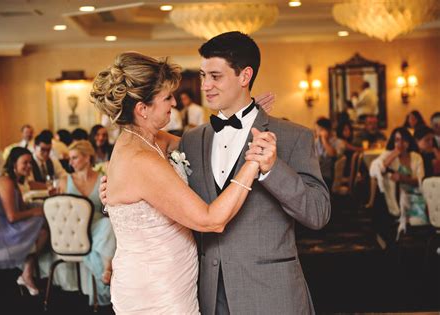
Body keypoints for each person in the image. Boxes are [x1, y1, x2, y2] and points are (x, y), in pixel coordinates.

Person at [99, 32, 330, 314]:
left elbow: (318, 214)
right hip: (201, 294)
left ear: (245, 76)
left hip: (269, 295)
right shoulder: (191, 141)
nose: (205, 86)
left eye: (216, 76)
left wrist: (272, 169)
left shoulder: (292, 137)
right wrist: (114, 196)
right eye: (202, 75)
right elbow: (146, 181)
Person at [91, 51, 272, 314]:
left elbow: (199, 141)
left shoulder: (148, 139)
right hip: (156, 288)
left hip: (170, 277)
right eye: (166, 97)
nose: (174, 102)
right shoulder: (141, 158)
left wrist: (247, 115)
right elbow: (211, 220)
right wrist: (252, 163)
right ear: (142, 109)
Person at [40, 140, 116, 306]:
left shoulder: (101, 179)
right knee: (104, 232)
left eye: (74, 158)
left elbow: (106, 209)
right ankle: (106, 283)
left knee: (108, 225)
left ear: (87, 158)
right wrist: (54, 198)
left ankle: (107, 269)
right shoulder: (63, 181)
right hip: (73, 232)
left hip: (96, 227)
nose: (70, 162)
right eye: (70, 158)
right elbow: (57, 213)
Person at [0, 147, 48, 296]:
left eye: (30, 162)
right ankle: (28, 274)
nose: (29, 166)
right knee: (42, 224)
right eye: (25, 163)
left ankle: (27, 274)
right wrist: (37, 211)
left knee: (42, 228)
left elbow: (21, 207)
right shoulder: (6, 181)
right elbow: (12, 216)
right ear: (14, 164)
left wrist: (37, 209)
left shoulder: (13, 181)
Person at [370, 127, 427, 237]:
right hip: (394, 195)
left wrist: (402, 178)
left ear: (409, 142)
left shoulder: (416, 157)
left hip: (413, 194)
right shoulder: (389, 154)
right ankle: (386, 236)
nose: (400, 143)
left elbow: (420, 181)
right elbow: (376, 171)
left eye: (403, 140)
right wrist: (393, 155)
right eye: (397, 140)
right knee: (382, 192)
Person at [315, 117, 344, 190]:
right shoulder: (316, 142)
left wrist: (324, 139)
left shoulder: (339, 143)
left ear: (325, 130)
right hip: (315, 174)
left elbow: (333, 154)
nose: (316, 131)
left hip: (327, 177)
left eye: (318, 129)